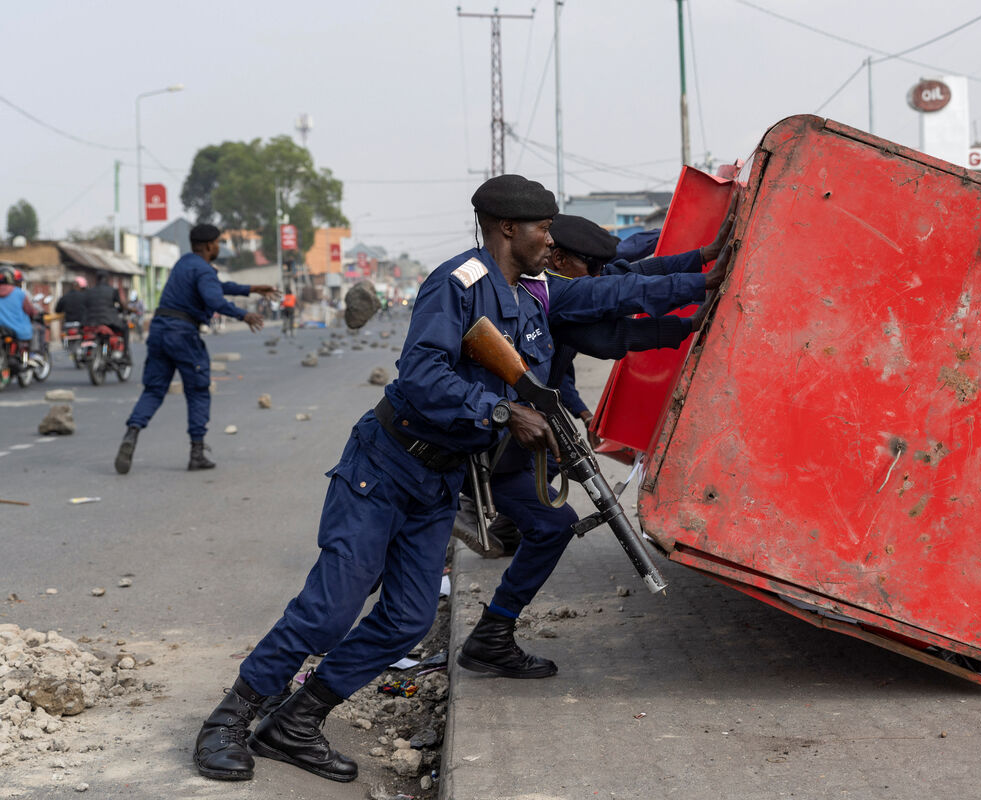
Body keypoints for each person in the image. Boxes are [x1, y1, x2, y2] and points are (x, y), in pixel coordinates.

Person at [190, 174, 724, 785]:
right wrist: (501, 412)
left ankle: (296, 721)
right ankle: (227, 720)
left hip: (440, 482)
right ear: (507, 229)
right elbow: (421, 375)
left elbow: (615, 298)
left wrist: (700, 283)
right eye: (543, 230)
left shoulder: (533, 295)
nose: (552, 242)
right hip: (386, 467)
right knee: (329, 609)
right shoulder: (458, 283)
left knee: (408, 620)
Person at [456, 208, 735, 556]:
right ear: (557, 259)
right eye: (592, 268)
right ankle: (467, 504)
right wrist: (698, 289)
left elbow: (630, 279)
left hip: (530, 403)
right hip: (503, 412)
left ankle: (503, 528)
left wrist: (700, 262)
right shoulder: (550, 293)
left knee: (542, 474)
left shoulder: (559, 285)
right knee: (526, 467)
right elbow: (617, 298)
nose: (599, 275)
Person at [115, 224, 271, 474]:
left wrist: (251, 289)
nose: (218, 247)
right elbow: (214, 298)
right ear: (210, 245)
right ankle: (196, 453)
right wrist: (244, 315)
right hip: (183, 334)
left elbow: (217, 285)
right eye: (218, 243)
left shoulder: (184, 264)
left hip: (159, 330)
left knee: (154, 389)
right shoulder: (204, 270)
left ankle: (132, 432)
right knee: (198, 390)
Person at [82, 273, 130, 357]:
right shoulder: (112, 290)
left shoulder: (89, 291)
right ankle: (125, 351)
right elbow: (121, 305)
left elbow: (85, 306)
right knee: (125, 328)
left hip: (91, 322)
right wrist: (124, 310)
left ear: (97, 279)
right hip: (108, 321)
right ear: (107, 279)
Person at [0, 266, 36, 345]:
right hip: (20, 331)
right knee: (36, 330)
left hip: (2, 331)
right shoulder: (19, 293)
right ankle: (35, 355)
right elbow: (30, 310)